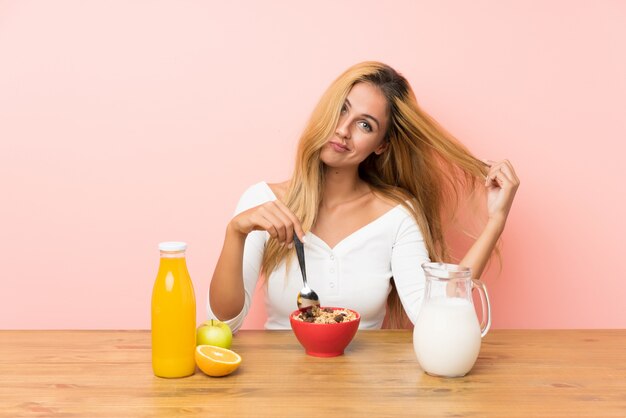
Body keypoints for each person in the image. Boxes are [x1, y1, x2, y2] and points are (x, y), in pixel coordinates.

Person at [207, 61, 519, 332]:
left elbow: (435, 317)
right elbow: (225, 322)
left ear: (381, 145)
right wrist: (236, 232)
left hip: (369, 393)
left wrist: (496, 220)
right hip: (281, 392)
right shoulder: (262, 201)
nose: (343, 130)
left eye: (365, 124)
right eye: (342, 109)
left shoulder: (397, 215)